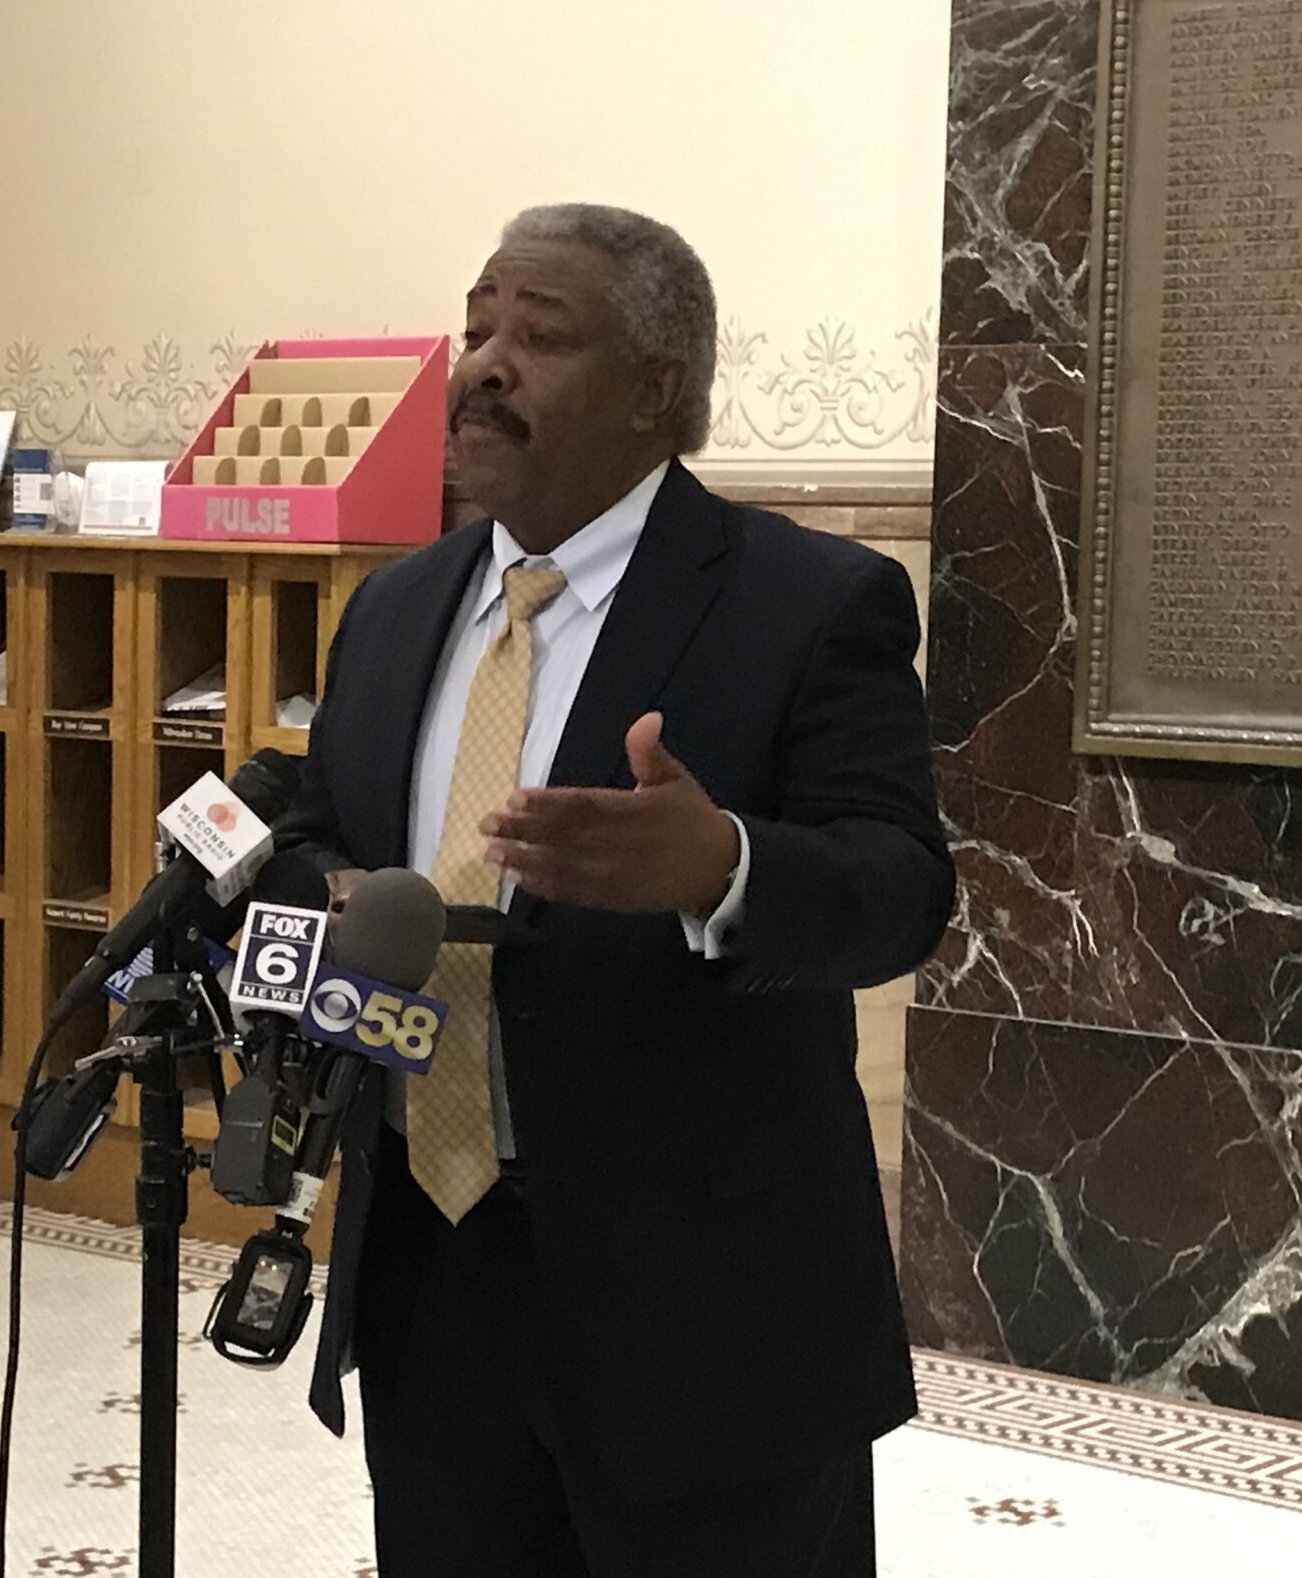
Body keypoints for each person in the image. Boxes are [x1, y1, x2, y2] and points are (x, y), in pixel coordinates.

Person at [260, 203, 956, 1578]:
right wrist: (321, 887)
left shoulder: (808, 601)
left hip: (701, 1315)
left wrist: (724, 868)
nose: (484, 361)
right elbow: (319, 826)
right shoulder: (393, 609)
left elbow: (901, 888)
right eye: (476, 326)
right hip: (433, 1262)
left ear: (657, 389)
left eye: (540, 331)